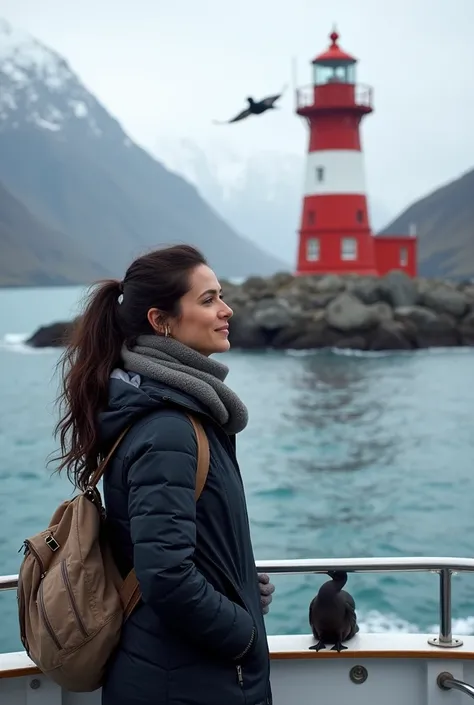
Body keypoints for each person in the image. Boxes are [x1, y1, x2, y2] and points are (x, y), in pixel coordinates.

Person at [54, 244, 275, 705]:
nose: (226, 309)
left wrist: (237, 581)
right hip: (184, 682)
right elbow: (167, 575)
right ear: (161, 321)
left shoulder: (171, 408)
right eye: (209, 299)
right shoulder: (170, 426)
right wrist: (244, 634)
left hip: (180, 670)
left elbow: (171, 541)